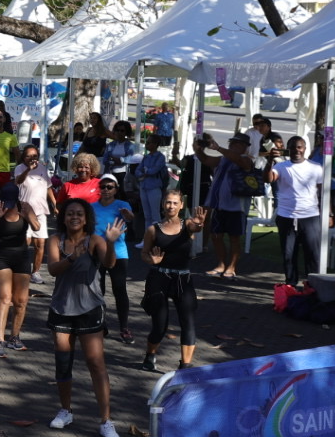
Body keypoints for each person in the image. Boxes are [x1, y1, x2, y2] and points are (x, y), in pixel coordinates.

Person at [45, 198, 124, 437]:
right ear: (64, 217)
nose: (75, 217)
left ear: (87, 217)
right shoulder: (55, 240)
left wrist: (111, 244)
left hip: (90, 307)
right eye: (70, 214)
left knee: (96, 363)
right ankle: (65, 410)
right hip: (62, 307)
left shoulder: (95, 240)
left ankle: (106, 421)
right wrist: (72, 256)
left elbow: (110, 263)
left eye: (79, 213)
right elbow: (53, 269)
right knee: (63, 361)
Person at [140, 190, 205, 373]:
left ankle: (185, 366)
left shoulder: (188, 225)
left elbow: (195, 228)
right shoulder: (153, 229)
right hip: (159, 278)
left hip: (182, 279)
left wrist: (199, 225)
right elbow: (144, 253)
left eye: (175, 203)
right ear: (163, 204)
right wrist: (151, 260)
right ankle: (150, 355)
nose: (171, 206)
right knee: (160, 325)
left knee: (188, 322)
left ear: (181, 205)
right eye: (168, 202)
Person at [0, 181, 39, 355]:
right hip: (0, 256)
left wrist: (28, 216)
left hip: (21, 256)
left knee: (21, 301)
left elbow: (37, 227)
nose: (7, 206)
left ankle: (14, 336)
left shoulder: (25, 206)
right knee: (5, 298)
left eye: (10, 202)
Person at [269, 135, 325, 287]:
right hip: (286, 216)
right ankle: (291, 285)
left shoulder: (315, 167)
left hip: (310, 216)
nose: (296, 150)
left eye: (299, 147)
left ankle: (313, 285)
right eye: (292, 147)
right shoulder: (280, 167)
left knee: (312, 254)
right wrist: (269, 161)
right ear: (288, 149)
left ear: (305, 149)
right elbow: (269, 179)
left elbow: (323, 192)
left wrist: (329, 213)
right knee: (288, 254)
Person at [195, 133, 253, 279]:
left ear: (245, 147)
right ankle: (221, 264)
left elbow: (238, 159)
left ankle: (231, 267)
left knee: (234, 238)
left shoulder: (247, 160)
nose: (233, 146)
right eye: (231, 143)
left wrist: (218, 148)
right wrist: (198, 150)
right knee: (216, 236)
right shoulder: (223, 159)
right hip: (219, 205)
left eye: (236, 144)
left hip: (237, 207)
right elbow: (206, 160)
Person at [94, 175, 138, 343]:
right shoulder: (91, 207)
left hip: (118, 253)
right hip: (97, 253)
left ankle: (124, 328)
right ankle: (100, 323)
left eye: (109, 187)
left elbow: (130, 218)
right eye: (103, 186)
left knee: (119, 289)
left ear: (116, 190)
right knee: (98, 290)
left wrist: (129, 216)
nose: (105, 190)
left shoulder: (122, 205)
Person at [12, 146, 54, 276]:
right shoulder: (19, 168)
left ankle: (35, 272)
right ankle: (21, 269)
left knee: (40, 244)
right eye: (29, 156)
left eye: (35, 156)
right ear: (23, 157)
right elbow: (17, 182)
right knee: (25, 243)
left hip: (41, 211)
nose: (32, 159)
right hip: (24, 211)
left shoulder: (42, 168)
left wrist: (54, 203)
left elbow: (48, 187)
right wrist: (28, 170)